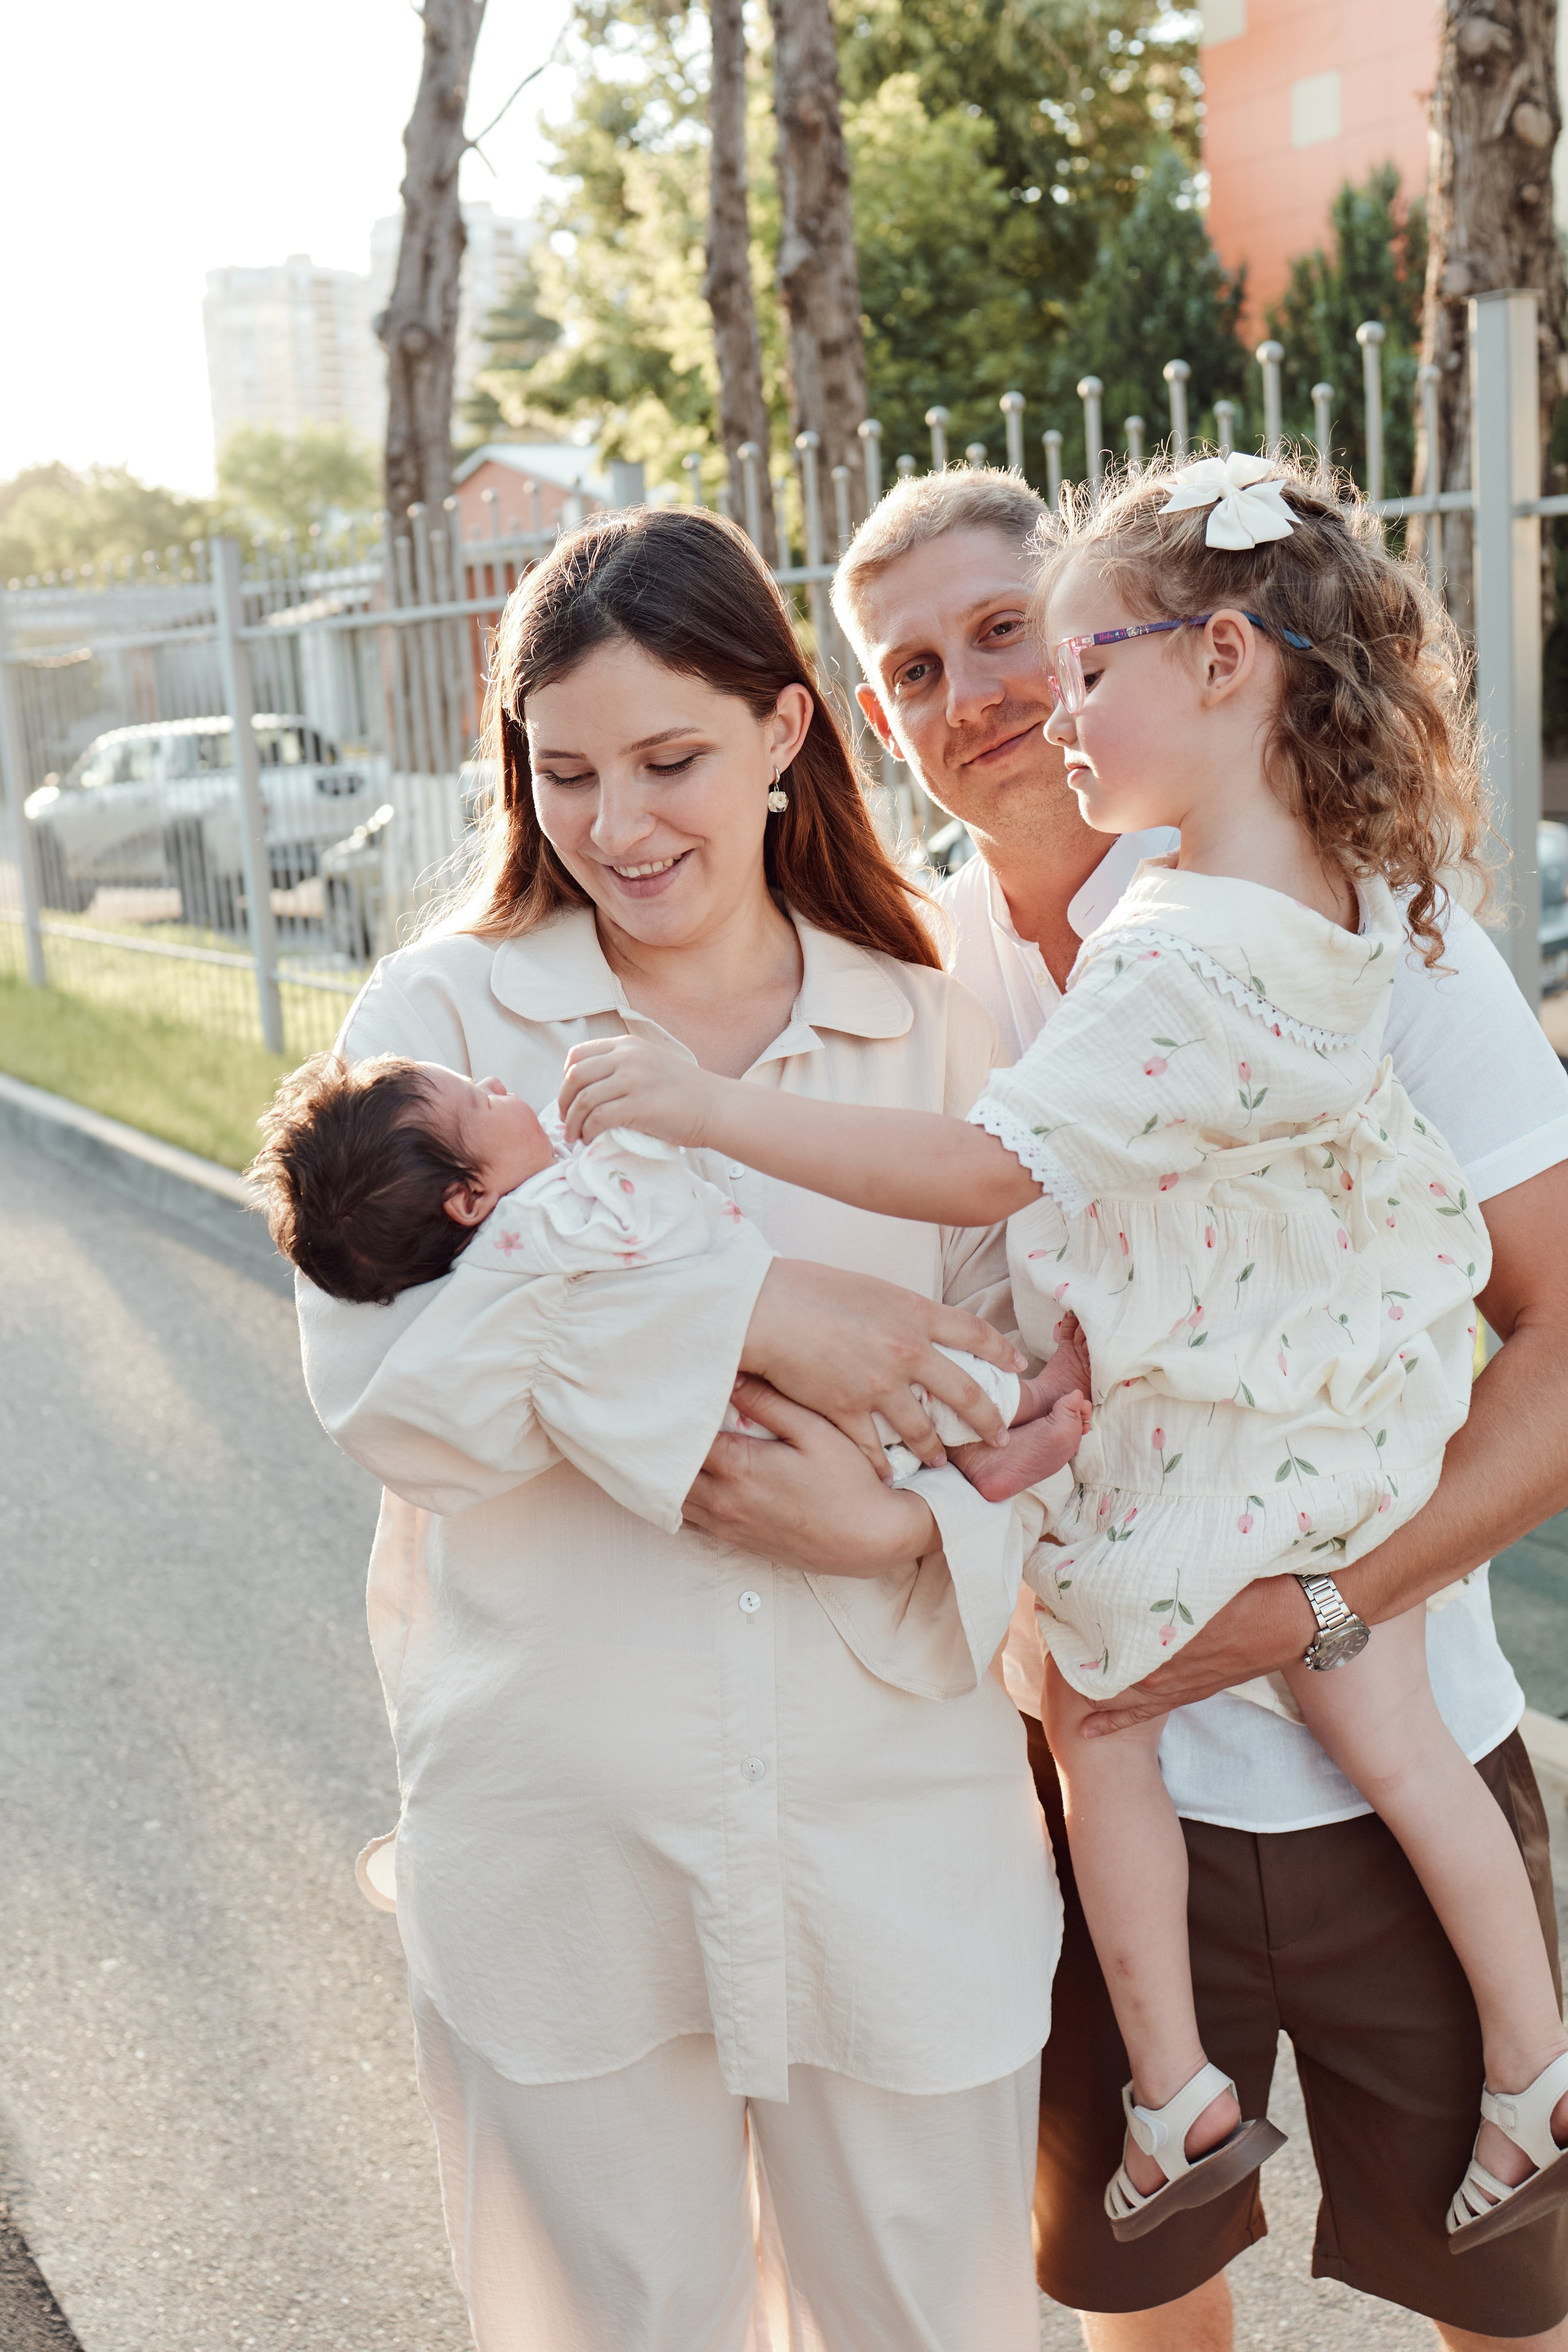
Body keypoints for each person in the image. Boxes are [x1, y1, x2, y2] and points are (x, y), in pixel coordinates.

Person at [559, 448, 1568, 2256]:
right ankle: (1215, 2094)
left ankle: (1527, 2070)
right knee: (1145, 2292)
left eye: (1024, 634)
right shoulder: (902, 974)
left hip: (1371, 1732)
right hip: (1085, 1793)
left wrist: (1324, 1609)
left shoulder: (1355, 924)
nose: (996, 694)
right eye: (918, 667)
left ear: (1194, 660)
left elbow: (1564, 1332)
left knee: (1495, 2304)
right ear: (871, 716)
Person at [292, 503, 1062, 2352]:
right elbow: (403, 1402)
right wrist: (760, 1311)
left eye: (669, 762)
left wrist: (906, 1531)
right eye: (563, 774)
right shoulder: (441, 1024)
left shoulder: (942, 1029)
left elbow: (1061, 1404)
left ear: (789, 736)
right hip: (564, 1856)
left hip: (896, 1848)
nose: (618, 826)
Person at [252, 1047, 1093, 1494]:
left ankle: (984, 1459)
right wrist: (632, 1121)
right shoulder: (543, 1226)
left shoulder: (514, 1239)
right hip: (749, 1405)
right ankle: (1028, 1405)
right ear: (470, 1200)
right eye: (481, 1099)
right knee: (913, 1379)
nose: (501, 1083)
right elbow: (638, 1196)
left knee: (890, 1407)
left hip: (726, 1406)